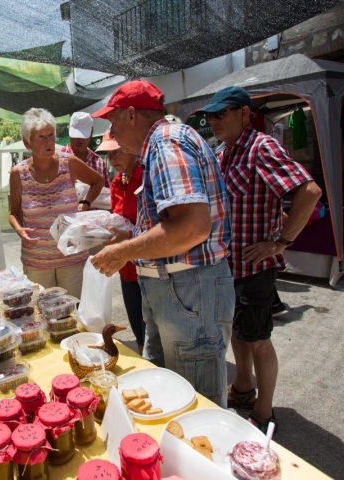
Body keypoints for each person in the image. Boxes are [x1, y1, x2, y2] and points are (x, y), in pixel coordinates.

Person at [90, 80, 234, 408]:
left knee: (196, 405)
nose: (110, 131)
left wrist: (125, 251)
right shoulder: (161, 144)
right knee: (162, 394)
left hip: (188, 289)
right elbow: (170, 225)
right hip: (176, 290)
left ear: (130, 115)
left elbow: (192, 226)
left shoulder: (167, 141)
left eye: (111, 121)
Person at [197, 86, 321, 431]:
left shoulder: (260, 147)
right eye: (210, 115)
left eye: (221, 113)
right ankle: (242, 387)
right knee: (239, 330)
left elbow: (309, 191)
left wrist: (282, 241)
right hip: (229, 265)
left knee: (259, 339)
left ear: (244, 114)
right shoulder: (225, 152)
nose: (213, 120)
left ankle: (264, 412)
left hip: (253, 267)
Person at [9, 108, 106, 298]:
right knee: (43, 315)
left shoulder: (68, 163)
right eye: (41, 137)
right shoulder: (18, 174)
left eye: (51, 135)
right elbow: (14, 213)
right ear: (27, 142)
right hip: (37, 262)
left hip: (72, 257)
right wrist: (20, 230)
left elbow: (98, 181)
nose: (49, 141)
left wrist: (85, 203)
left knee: (75, 315)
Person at [96, 129, 145, 354]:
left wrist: (128, 237)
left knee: (157, 336)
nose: (112, 159)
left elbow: (162, 228)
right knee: (139, 332)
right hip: (127, 271)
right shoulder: (118, 183)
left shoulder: (148, 178)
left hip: (151, 271)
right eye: (108, 155)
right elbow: (120, 222)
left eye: (116, 152)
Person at [61, 111, 109, 184]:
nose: (79, 139)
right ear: (69, 132)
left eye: (83, 135)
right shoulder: (57, 159)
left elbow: (106, 193)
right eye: (76, 135)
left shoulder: (99, 163)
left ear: (91, 133)